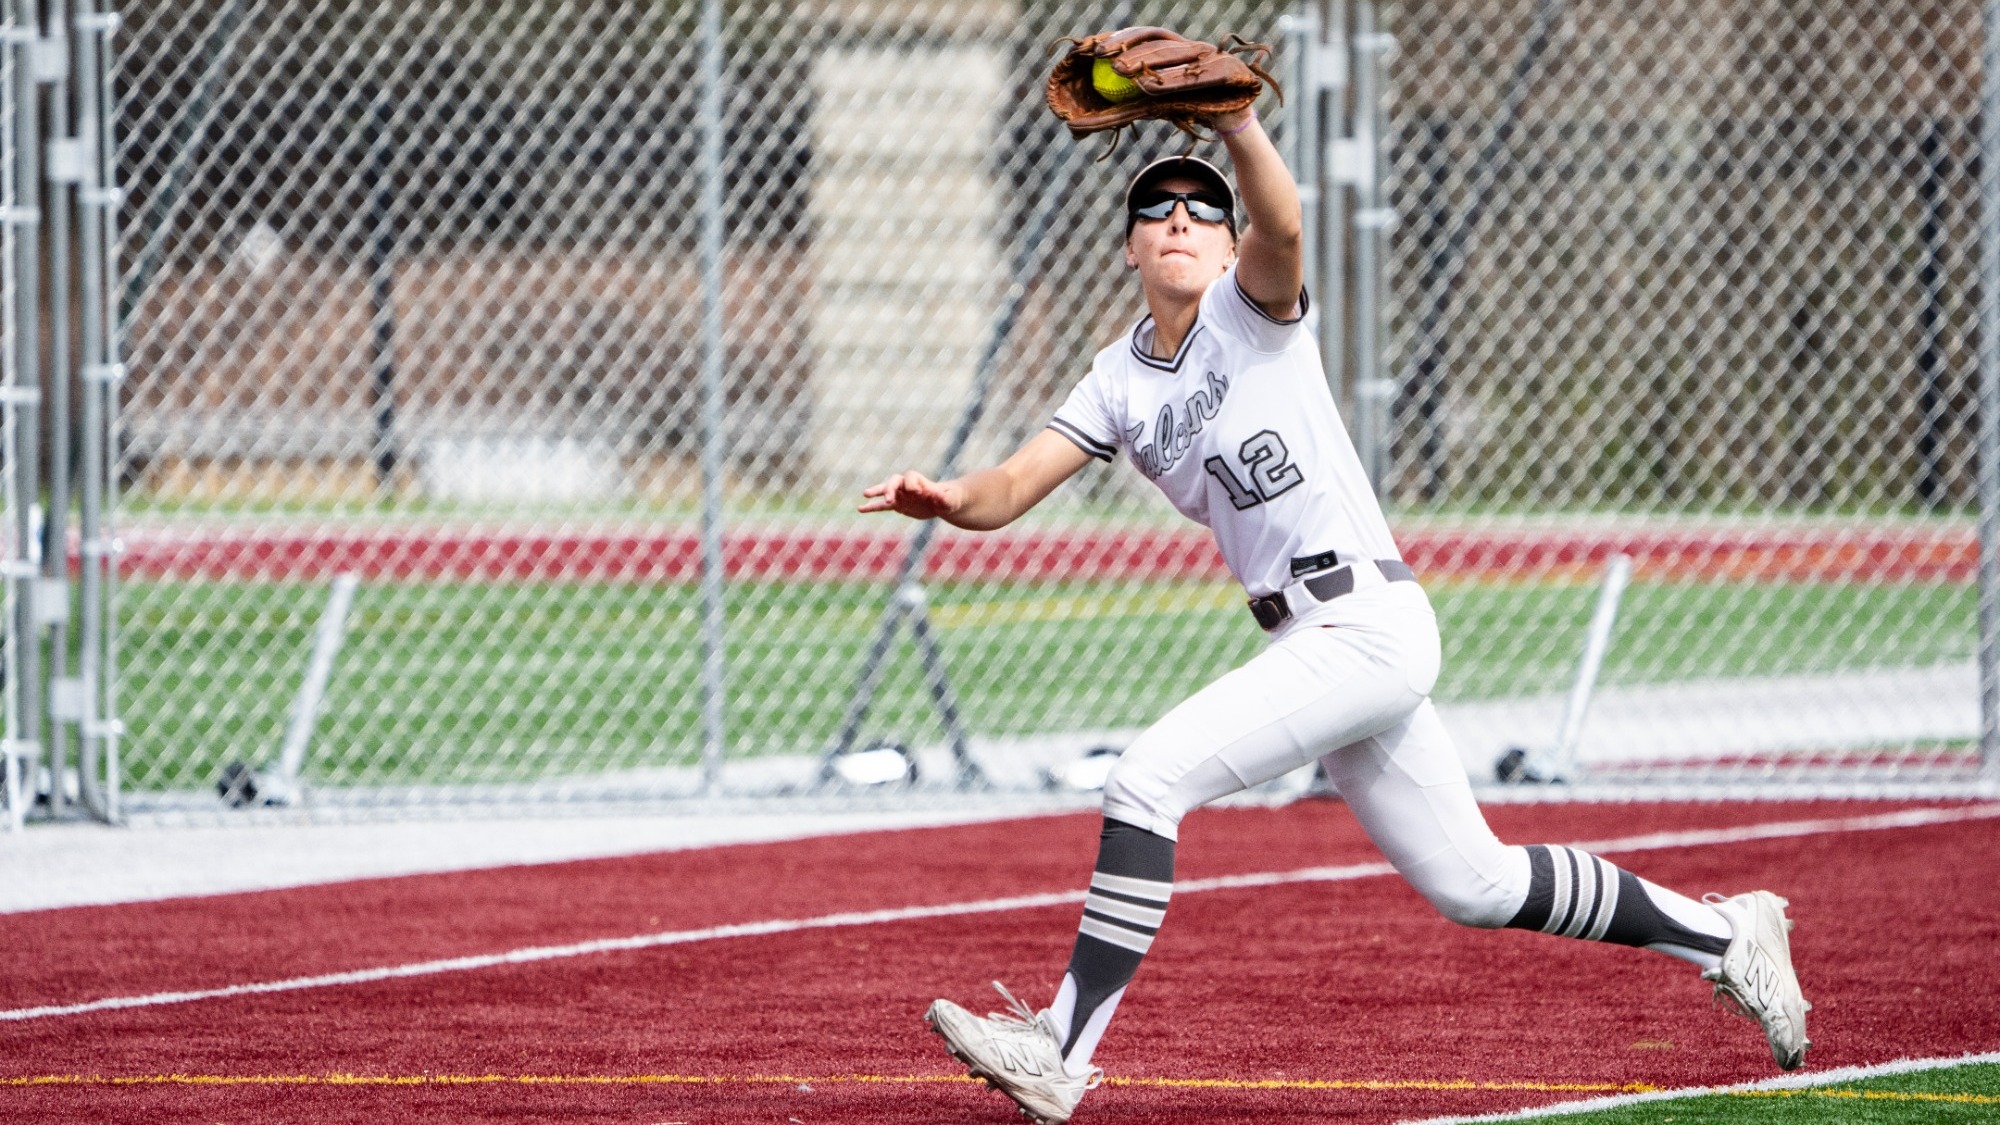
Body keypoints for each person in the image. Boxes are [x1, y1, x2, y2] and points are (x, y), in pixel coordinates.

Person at [858, 98, 1809, 1125]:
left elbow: (1287, 226)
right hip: (1313, 638)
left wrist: (1239, 128)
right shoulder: (1117, 378)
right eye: (1154, 207)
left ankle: (1059, 1048)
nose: (1178, 217)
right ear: (1129, 245)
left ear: (1226, 243)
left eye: (1200, 207)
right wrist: (954, 501)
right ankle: (1724, 935)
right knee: (1474, 883)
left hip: (1363, 620)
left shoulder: (1249, 311)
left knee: (1145, 780)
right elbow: (1009, 485)